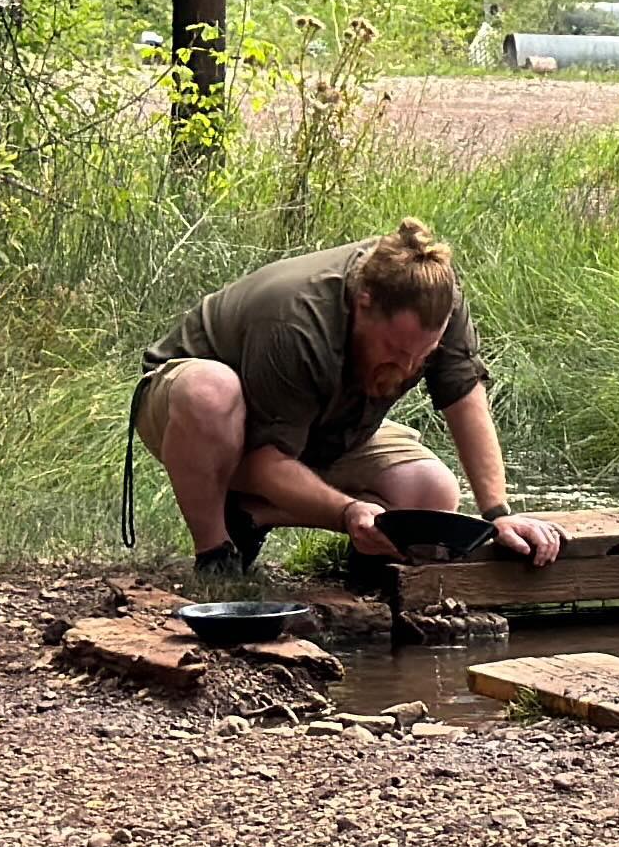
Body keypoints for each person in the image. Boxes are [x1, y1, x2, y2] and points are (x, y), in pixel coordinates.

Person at [132, 223, 562, 585]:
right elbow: (266, 459)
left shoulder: (436, 302)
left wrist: (498, 513)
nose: (408, 365)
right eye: (395, 349)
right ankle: (216, 555)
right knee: (211, 389)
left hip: (317, 427)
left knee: (431, 491)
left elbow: (465, 399)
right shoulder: (295, 319)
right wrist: (346, 511)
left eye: (423, 355)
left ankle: (253, 516)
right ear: (364, 304)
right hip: (197, 417)